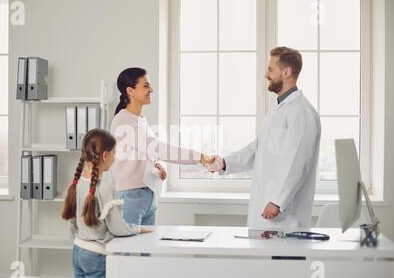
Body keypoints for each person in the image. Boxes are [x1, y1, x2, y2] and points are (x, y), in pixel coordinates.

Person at [208, 47, 321, 230]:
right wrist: (224, 163)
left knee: (286, 257)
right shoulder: (277, 112)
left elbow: (298, 163)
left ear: (286, 72)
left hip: (286, 216)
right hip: (267, 212)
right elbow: (257, 150)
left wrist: (277, 202)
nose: (266, 74)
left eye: (270, 69)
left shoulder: (301, 113)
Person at [110, 67, 214, 226]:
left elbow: (146, 152)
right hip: (132, 196)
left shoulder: (139, 120)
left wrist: (156, 166)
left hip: (147, 195)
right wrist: (199, 157)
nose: (151, 89)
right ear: (130, 91)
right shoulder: (123, 120)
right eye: (145, 86)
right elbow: (158, 148)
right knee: (127, 249)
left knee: (147, 248)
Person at [61, 129, 151, 278]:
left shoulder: (75, 185)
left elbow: (71, 225)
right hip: (96, 255)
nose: (115, 158)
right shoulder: (106, 188)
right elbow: (117, 227)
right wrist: (139, 228)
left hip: (78, 251)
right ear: (105, 156)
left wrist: (81, 239)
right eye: (114, 153)